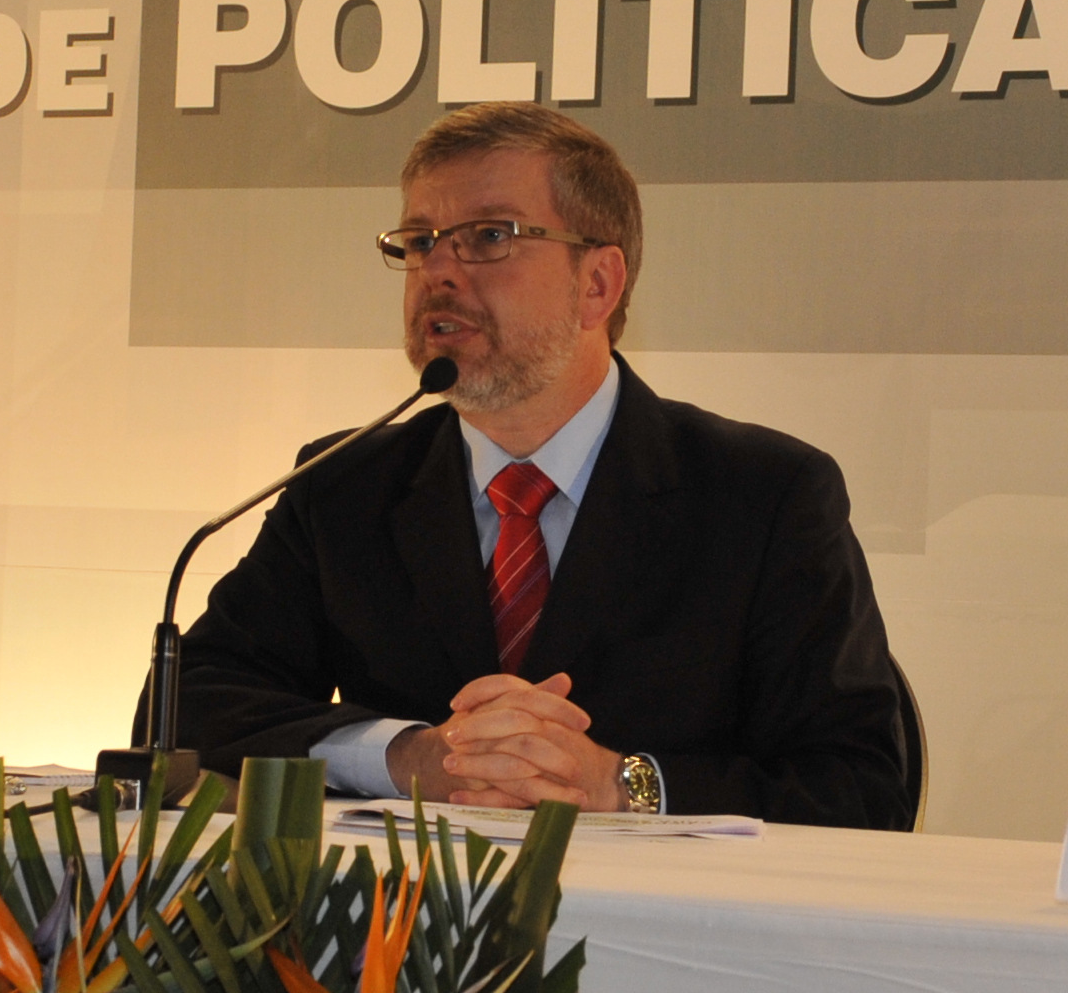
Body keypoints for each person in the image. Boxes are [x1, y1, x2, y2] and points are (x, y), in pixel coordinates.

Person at [173, 102, 911, 826]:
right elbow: (184, 709)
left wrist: (619, 786)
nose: (439, 272)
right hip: (404, 931)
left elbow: (862, 783)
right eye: (420, 240)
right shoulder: (344, 484)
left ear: (598, 284)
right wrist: (406, 757)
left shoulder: (762, 495)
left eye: (489, 236)